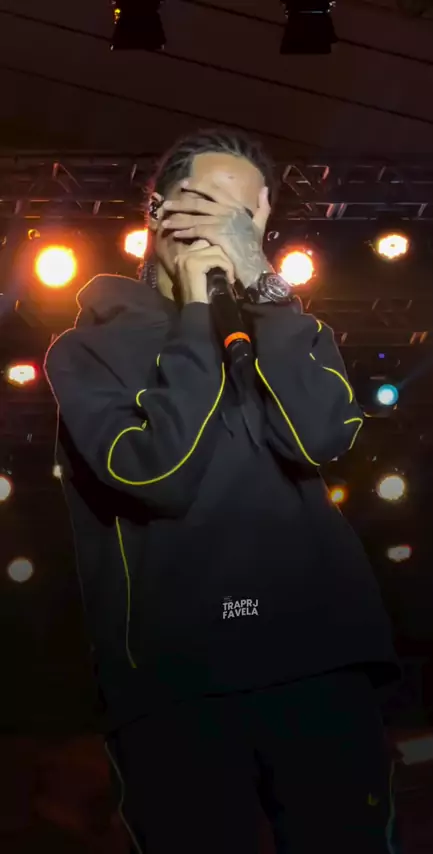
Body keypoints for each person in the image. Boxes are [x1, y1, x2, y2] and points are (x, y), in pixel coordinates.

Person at [44, 128, 401, 854]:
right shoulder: (87, 349)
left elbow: (323, 436)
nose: (223, 230)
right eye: (207, 203)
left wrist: (263, 284)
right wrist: (198, 320)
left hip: (319, 664)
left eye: (243, 218)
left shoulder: (282, 327)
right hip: (179, 684)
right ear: (158, 210)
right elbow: (155, 472)